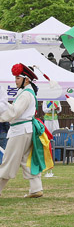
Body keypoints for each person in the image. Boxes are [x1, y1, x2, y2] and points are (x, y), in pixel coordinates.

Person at [0, 63, 51, 198]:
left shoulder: (26, 94)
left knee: (8, 160)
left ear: (26, 79)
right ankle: (36, 189)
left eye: (17, 78)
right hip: (26, 130)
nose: (15, 80)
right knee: (27, 160)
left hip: (20, 131)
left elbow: (15, 112)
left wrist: (3, 107)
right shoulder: (27, 92)